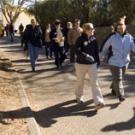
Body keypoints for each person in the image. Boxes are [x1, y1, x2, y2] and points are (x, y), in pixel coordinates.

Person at [100, 16, 135, 102]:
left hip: (125, 62)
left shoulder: (129, 37)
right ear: (116, 27)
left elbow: (134, 47)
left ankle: (114, 87)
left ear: (125, 26)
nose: (121, 27)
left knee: (118, 78)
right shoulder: (112, 36)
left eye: (122, 25)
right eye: (119, 25)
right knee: (118, 79)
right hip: (114, 62)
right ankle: (121, 96)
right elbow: (104, 47)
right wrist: (100, 57)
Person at [75, 23, 104, 110]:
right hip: (81, 64)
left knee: (95, 83)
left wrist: (98, 62)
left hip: (92, 64)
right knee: (80, 82)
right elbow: (76, 50)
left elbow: (96, 51)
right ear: (86, 30)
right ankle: (79, 96)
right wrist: (86, 56)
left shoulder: (94, 39)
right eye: (91, 29)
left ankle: (99, 101)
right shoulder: (80, 39)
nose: (93, 30)